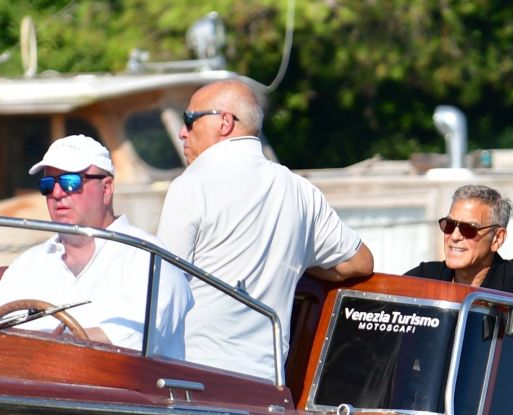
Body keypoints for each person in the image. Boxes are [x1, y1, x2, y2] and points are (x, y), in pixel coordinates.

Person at [157, 78, 374, 380]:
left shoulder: (190, 185)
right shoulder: (300, 191)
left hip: (194, 377)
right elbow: (360, 262)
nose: (183, 132)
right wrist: (295, 264)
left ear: (224, 122)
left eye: (190, 120)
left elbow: (164, 291)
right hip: (266, 383)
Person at [0, 135, 192, 358]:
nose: (57, 193)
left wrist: (45, 343)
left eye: (70, 182)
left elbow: (135, 340)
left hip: (124, 389)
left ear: (106, 189)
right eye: (48, 185)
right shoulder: (29, 262)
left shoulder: (149, 257)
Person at [405, 184, 513, 297]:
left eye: (468, 229)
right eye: (449, 225)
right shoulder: (425, 277)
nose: (454, 236)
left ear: (497, 238)